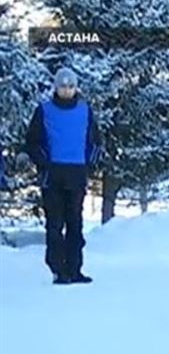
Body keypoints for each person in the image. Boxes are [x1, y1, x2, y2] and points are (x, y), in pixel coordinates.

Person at [24, 68, 102, 284]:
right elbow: (32, 141)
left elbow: (95, 141)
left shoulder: (85, 110)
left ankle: (75, 269)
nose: (66, 90)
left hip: (76, 174)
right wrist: (44, 164)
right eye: (62, 86)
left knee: (75, 223)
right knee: (55, 224)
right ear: (56, 88)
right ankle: (59, 269)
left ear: (75, 88)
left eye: (70, 86)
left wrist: (90, 165)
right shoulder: (44, 110)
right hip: (53, 175)